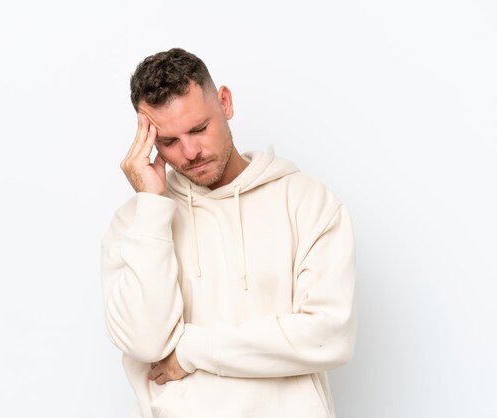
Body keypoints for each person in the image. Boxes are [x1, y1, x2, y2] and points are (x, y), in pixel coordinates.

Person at [101, 48, 356, 418]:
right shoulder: (135, 224)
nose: (190, 152)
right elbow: (144, 343)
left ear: (225, 102)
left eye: (199, 129)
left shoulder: (306, 202)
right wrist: (153, 209)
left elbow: (329, 338)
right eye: (169, 142)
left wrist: (189, 350)